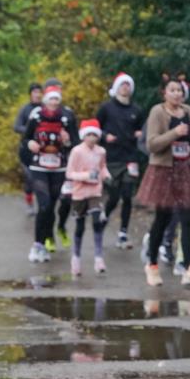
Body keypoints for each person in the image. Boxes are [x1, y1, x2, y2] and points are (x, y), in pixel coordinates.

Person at [137, 75, 190, 287]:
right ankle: (152, 264)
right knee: (162, 218)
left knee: (188, 218)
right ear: (164, 93)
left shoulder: (188, 112)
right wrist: (174, 133)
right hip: (164, 170)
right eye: (172, 90)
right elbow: (152, 144)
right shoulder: (157, 112)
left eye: (179, 90)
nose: (177, 94)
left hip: (186, 170)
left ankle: (188, 267)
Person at [23, 84, 72, 262]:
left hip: (59, 167)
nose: (53, 102)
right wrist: (30, 145)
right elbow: (25, 138)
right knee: (43, 205)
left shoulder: (66, 118)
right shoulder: (36, 116)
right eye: (51, 98)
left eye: (56, 99)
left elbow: (75, 142)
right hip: (39, 167)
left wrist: (67, 141)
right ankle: (37, 245)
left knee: (51, 206)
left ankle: (44, 242)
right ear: (45, 100)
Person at [96, 72, 143, 249]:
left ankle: (123, 232)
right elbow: (94, 129)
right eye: (122, 85)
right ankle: (105, 216)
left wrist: (140, 134)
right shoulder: (106, 108)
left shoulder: (136, 110)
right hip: (112, 157)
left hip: (130, 157)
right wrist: (105, 137)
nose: (125, 88)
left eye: (128, 85)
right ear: (116, 87)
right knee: (114, 196)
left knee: (127, 195)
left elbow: (142, 130)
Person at [64, 119, 110, 277]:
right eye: (88, 135)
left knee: (97, 221)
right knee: (80, 226)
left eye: (94, 135)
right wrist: (86, 175)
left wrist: (106, 175)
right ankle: (76, 257)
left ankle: (98, 258)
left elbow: (102, 166)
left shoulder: (101, 151)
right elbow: (69, 173)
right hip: (79, 192)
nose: (91, 138)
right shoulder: (77, 151)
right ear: (83, 136)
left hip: (95, 191)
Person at [45, 78, 80, 250]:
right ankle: (49, 235)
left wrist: (68, 142)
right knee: (49, 202)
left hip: (65, 164)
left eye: (58, 92)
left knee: (66, 200)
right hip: (46, 166)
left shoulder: (68, 114)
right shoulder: (39, 114)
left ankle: (61, 227)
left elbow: (77, 139)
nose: (55, 97)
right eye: (52, 93)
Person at [13, 82, 44, 215]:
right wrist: (31, 130)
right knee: (30, 178)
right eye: (34, 92)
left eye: (39, 92)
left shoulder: (46, 109)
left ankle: (43, 204)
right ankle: (30, 203)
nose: (37, 95)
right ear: (30, 94)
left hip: (44, 149)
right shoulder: (25, 109)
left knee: (43, 179)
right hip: (27, 150)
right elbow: (16, 126)